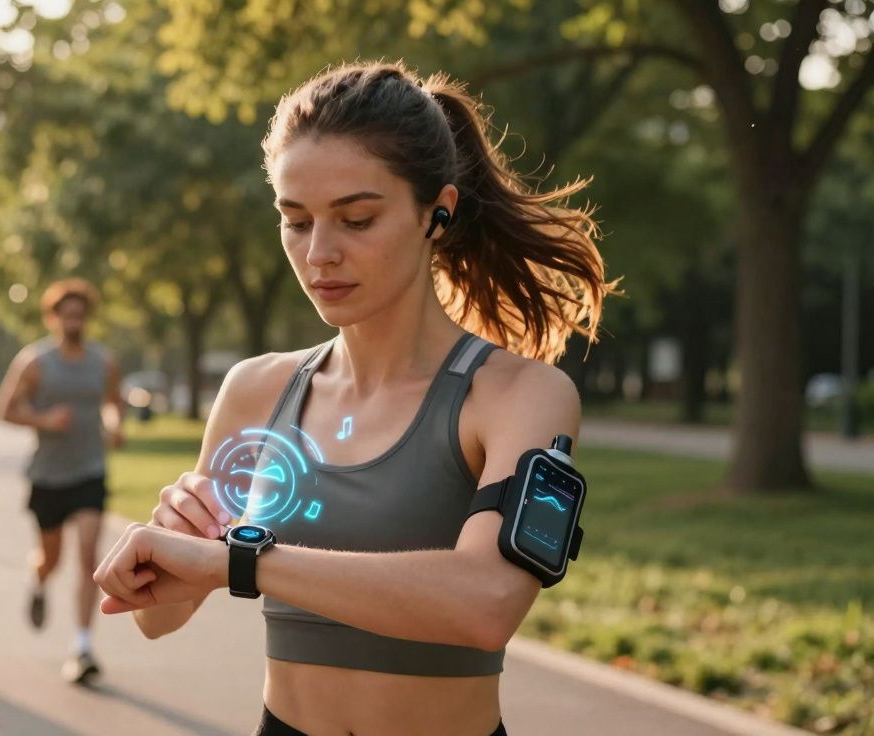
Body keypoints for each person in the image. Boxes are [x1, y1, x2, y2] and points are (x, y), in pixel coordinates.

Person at [93, 62, 616, 735]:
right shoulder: (255, 390)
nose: (319, 255)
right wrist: (171, 541)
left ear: (439, 212)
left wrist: (238, 560)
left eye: (357, 219)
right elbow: (157, 617)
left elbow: (486, 604)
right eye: (295, 221)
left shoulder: (521, 395)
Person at [0, 278, 125, 684]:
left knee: (89, 557)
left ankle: (82, 647)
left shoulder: (103, 362)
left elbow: (112, 406)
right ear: (54, 318)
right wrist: (44, 420)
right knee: (51, 558)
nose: (73, 320)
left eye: (79, 314)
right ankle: (37, 580)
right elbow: (5, 410)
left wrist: (115, 426)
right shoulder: (35, 362)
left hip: (90, 469)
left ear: (87, 318)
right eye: (66, 314)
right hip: (48, 475)